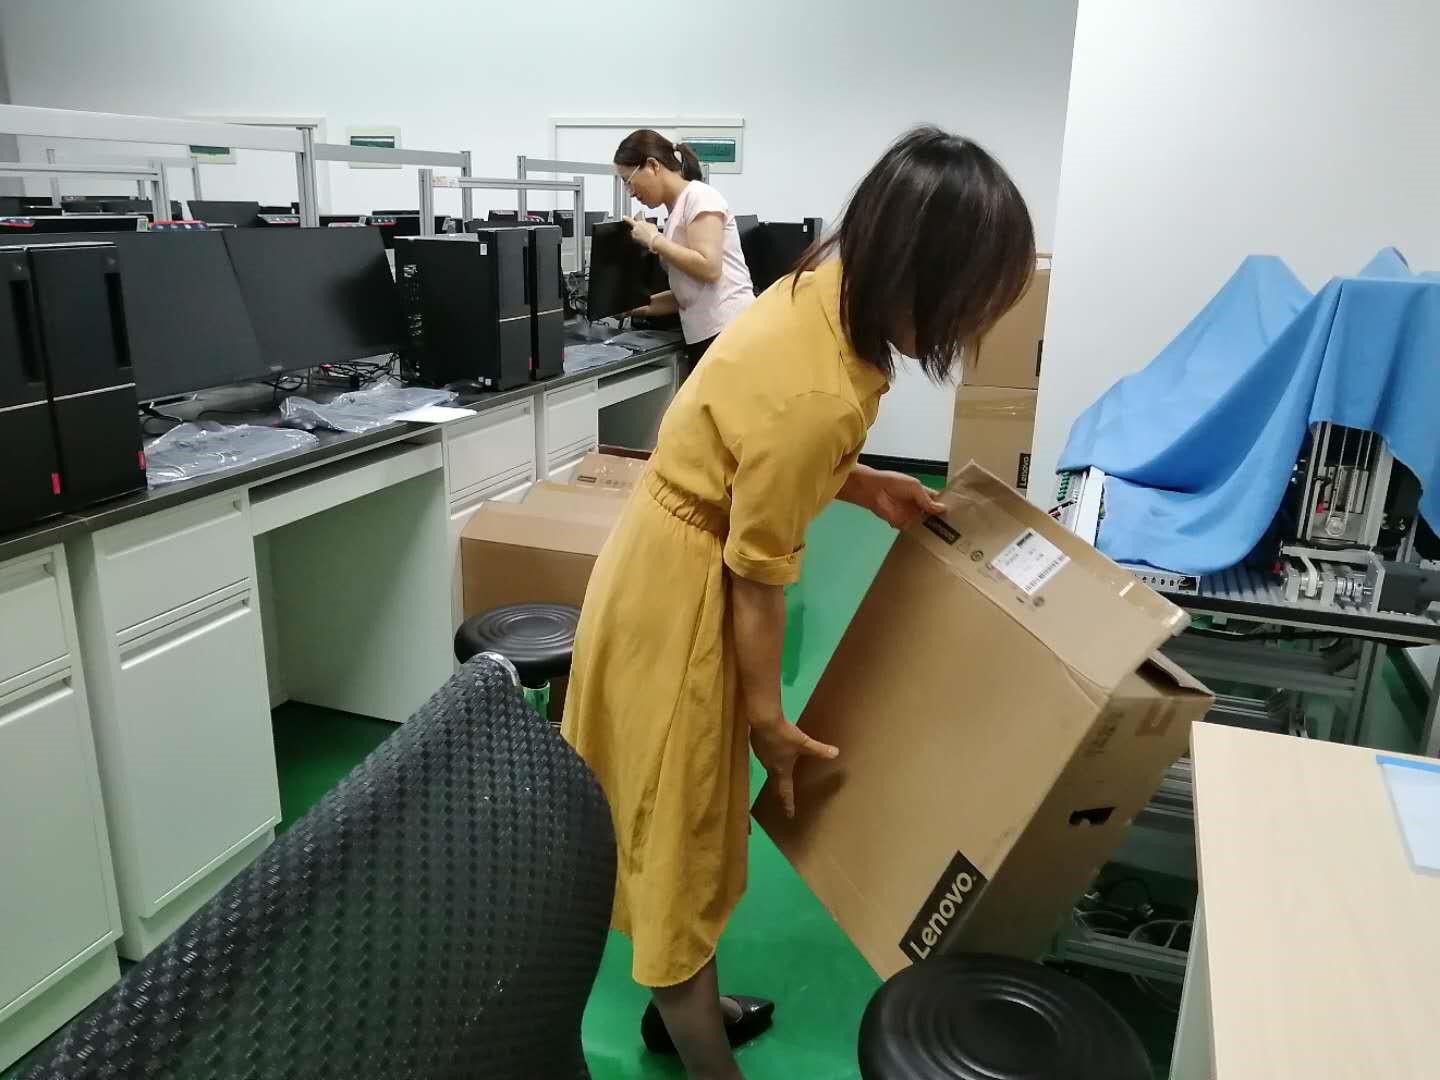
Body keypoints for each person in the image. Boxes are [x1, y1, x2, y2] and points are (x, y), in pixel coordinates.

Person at [563, 126, 1035, 1080]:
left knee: (677, 808)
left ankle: (682, 1009)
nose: (977, 322)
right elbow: (756, 569)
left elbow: (758, 450)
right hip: (685, 586)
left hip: (672, 542)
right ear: (922, 271)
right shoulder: (818, 389)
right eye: (973, 298)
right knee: (684, 826)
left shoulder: (825, 288)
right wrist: (768, 720)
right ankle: (703, 1052)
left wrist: (862, 484)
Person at [613, 129, 755, 377]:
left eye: (628, 180)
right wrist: (635, 307)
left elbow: (709, 268)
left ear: (653, 165)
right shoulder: (676, 212)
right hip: (709, 334)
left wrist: (654, 239)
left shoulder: (700, 196)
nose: (631, 192)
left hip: (729, 333)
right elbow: (687, 293)